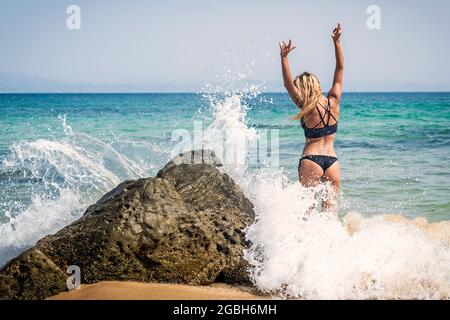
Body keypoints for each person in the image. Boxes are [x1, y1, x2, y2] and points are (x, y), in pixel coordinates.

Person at [280, 23, 343, 210]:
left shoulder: (306, 106)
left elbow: (287, 85)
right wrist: (337, 42)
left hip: (311, 160)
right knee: (329, 214)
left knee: (305, 212)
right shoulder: (334, 101)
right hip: (333, 162)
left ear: (304, 88)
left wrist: (284, 59)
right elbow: (340, 69)